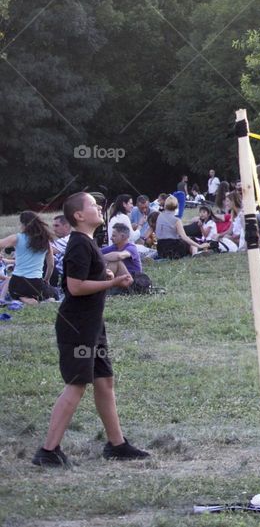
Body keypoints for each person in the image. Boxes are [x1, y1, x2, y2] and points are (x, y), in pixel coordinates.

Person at [31, 192, 149, 467]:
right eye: (93, 206)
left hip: (92, 325)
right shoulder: (78, 244)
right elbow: (74, 287)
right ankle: (48, 451)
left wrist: (105, 275)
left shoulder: (88, 242)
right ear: (79, 216)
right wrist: (112, 283)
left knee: (104, 381)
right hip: (78, 326)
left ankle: (116, 445)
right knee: (76, 385)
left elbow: (87, 277)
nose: (99, 208)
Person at [0, 212, 57, 304]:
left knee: (17, 293)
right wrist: (46, 279)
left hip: (17, 282)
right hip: (36, 282)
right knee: (53, 294)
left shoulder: (17, 238)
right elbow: (51, 265)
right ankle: (39, 299)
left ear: (24, 224)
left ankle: (23, 298)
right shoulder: (45, 242)